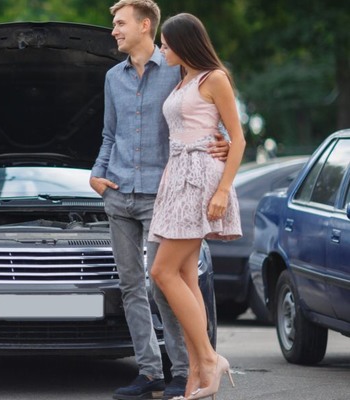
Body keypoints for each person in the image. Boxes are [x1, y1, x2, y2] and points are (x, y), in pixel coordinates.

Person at [89, 1, 229, 399]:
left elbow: (209, 118)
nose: (114, 30)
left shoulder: (175, 69)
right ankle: (149, 373)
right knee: (131, 285)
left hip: (164, 195)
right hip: (118, 194)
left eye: (120, 23)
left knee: (162, 284)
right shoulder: (112, 78)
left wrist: (224, 145)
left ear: (145, 26)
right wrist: (97, 174)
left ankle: (183, 369)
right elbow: (109, 134)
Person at [149, 12, 245, 400]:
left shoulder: (214, 78)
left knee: (162, 271)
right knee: (186, 278)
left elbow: (237, 140)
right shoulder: (182, 79)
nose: (161, 49)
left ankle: (209, 359)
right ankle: (196, 380)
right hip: (175, 177)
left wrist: (222, 191)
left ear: (184, 43)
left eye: (166, 43)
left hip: (201, 180)